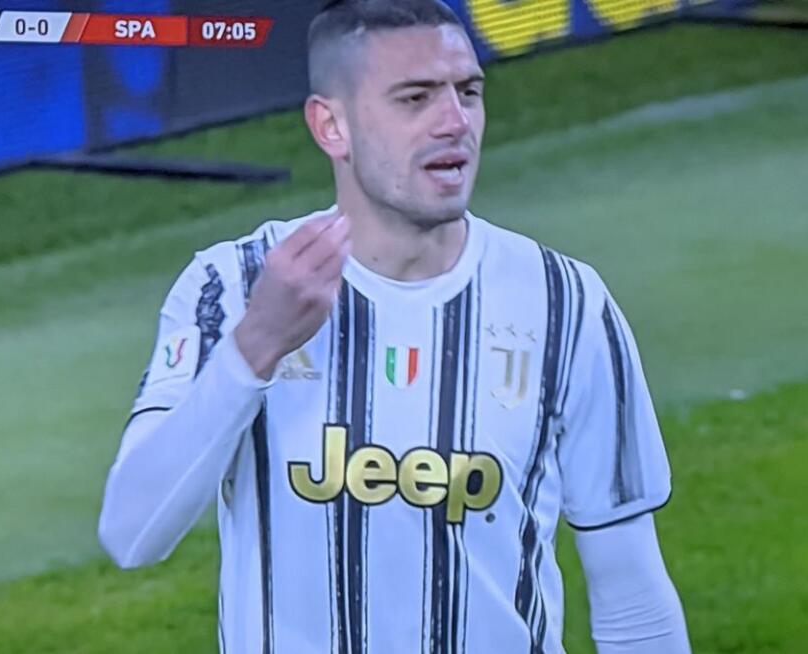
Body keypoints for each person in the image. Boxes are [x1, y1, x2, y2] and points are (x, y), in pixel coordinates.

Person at [97, 0, 691, 652]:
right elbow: (131, 534)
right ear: (332, 126)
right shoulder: (232, 285)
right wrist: (256, 344)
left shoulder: (566, 302)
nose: (455, 121)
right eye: (416, 98)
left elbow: (630, 590)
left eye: (468, 92)